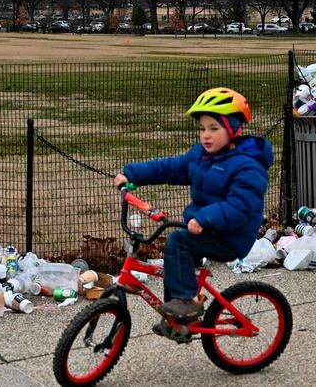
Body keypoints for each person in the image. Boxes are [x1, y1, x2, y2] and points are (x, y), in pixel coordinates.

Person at [113, 88, 273, 323]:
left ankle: (186, 303)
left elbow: (240, 206)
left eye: (214, 128)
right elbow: (171, 167)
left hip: (230, 236)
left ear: (232, 131)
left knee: (178, 242)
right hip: (206, 227)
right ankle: (177, 317)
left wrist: (205, 218)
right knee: (176, 249)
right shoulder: (202, 155)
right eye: (202, 128)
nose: (206, 135)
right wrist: (132, 174)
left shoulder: (248, 167)